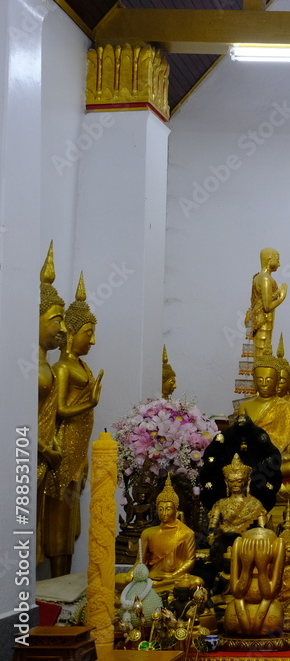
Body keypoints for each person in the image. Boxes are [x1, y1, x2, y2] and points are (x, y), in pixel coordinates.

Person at [44, 273, 103, 577]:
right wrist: (89, 402)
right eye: (88, 333)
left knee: (71, 518)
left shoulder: (82, 366)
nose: (92, 341)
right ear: (72, 332)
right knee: (59, 517)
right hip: (63, 449)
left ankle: (65, 579)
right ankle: (56, 579)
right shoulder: (62, 367)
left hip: (78, 452)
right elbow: (59, 410)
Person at [116, 474, 203, 594]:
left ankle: (152, 590)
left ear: (175, 510)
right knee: (118, 580)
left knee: (197, 582)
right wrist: (132, 573)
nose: (164, 513)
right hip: (151, 578)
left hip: (174, 579)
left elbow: (190, 561)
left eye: (168, 509)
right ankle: (154, 589)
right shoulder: (148, 533)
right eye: (160, 509)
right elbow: (140, 561)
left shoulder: (186, 533)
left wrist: (173, 575)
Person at [37, 243, 66, 498]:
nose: (64, 329)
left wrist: (54, 445)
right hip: (28, 454)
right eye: (56, 321)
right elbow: (18, 422)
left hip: (48, 454)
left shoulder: (50, 368)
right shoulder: (25, 369)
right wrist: (44, 449)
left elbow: (51, 417)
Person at [207, 455, 269, 538]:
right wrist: (212, 537)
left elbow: (263, 531)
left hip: (246, 545)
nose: (235, 484)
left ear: (247, 481)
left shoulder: (255, 504)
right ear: (226, 482)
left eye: (239, 481)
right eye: (231, 481)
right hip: (224, 543)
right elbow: (212, 529)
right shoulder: (220, 504)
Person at [246, 247, 288, 361]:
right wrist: (282, 297)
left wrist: (277, 292)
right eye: (277, 260)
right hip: (263, 321)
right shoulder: (265, 279)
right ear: (269, 259)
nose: (279, 264)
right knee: (261, 358)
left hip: (264, 321)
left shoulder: (259, 277)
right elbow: (267, 306)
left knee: (263, 357)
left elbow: (266, 298)